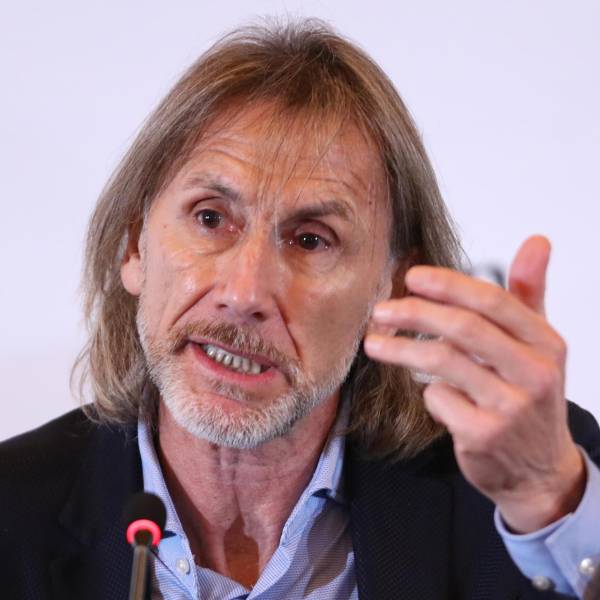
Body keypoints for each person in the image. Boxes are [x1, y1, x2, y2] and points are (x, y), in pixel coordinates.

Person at [1, 19, 599, 600]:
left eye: (311, 240)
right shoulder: (12, 512)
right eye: (210, 218)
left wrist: (546, 498)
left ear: (393, 288)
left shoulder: (517, 494)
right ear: (135, 247)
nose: (245, 293)